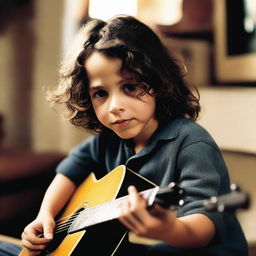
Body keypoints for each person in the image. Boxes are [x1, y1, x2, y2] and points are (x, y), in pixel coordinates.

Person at [4, 15, 248, 256]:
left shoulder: (191, 143)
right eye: (100, 93)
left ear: (159, 81)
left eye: (130, 87)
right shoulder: (108, 140)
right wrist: (45, 215)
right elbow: (68, 172)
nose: (114, 107)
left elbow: (204, 227)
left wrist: (169, 229)